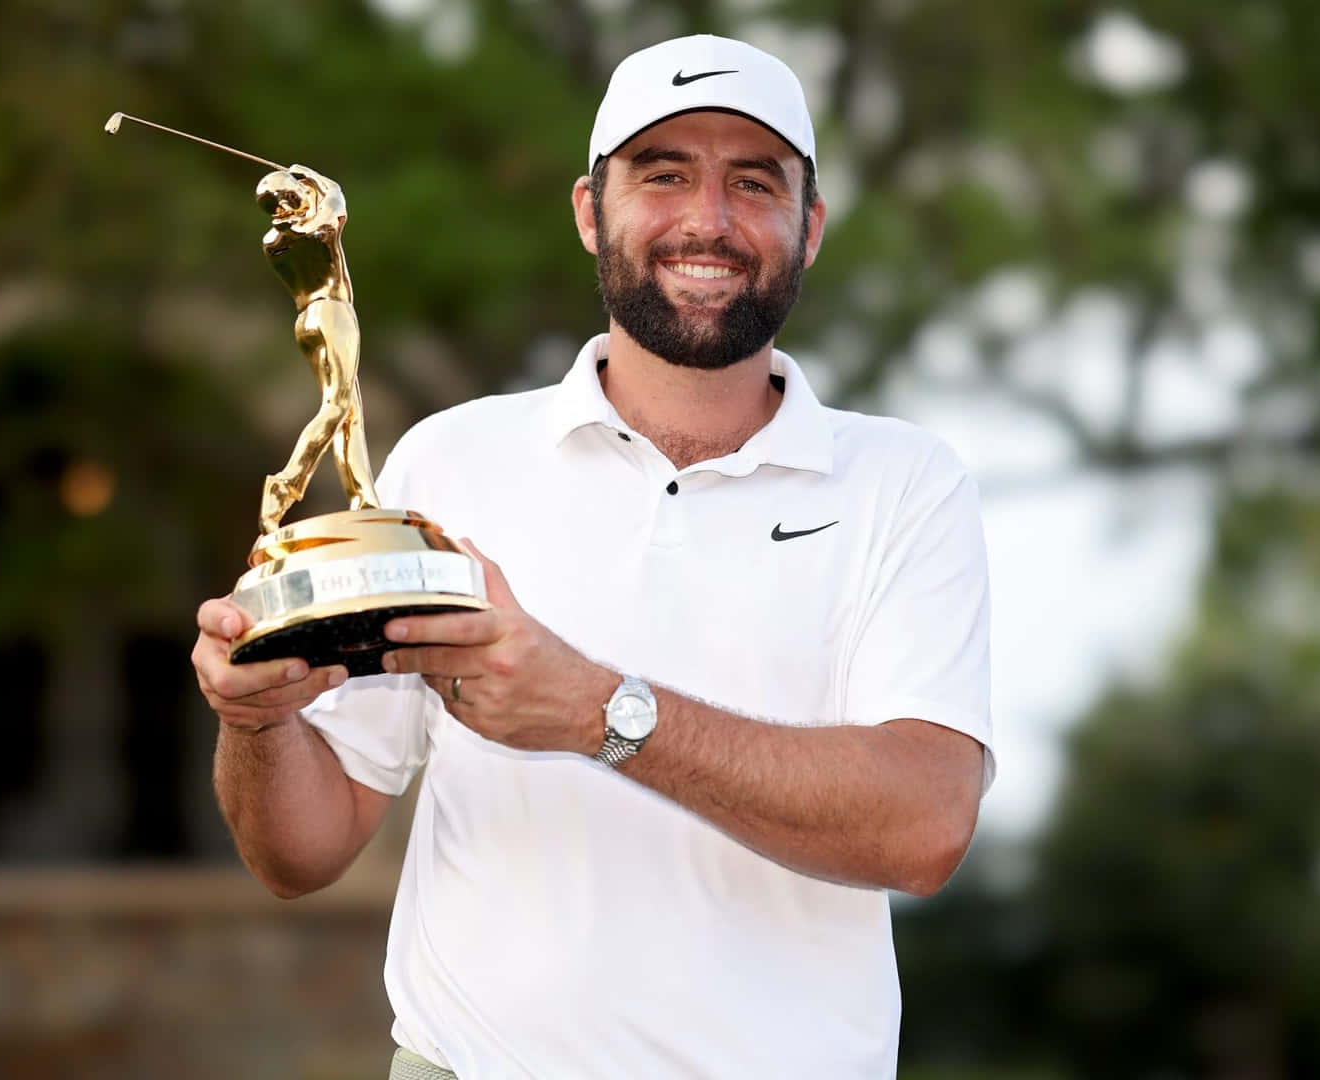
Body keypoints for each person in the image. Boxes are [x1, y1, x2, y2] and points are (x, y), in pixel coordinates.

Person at [192, 34, 994, 1079]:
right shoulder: (451, 457)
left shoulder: (905, 483)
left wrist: (596, 711)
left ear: (811, 229)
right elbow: (301, 850)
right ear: (588, 211)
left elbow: (924, 825)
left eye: (753, 182)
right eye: (663, 175)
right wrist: (257, 722)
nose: (708, 220)